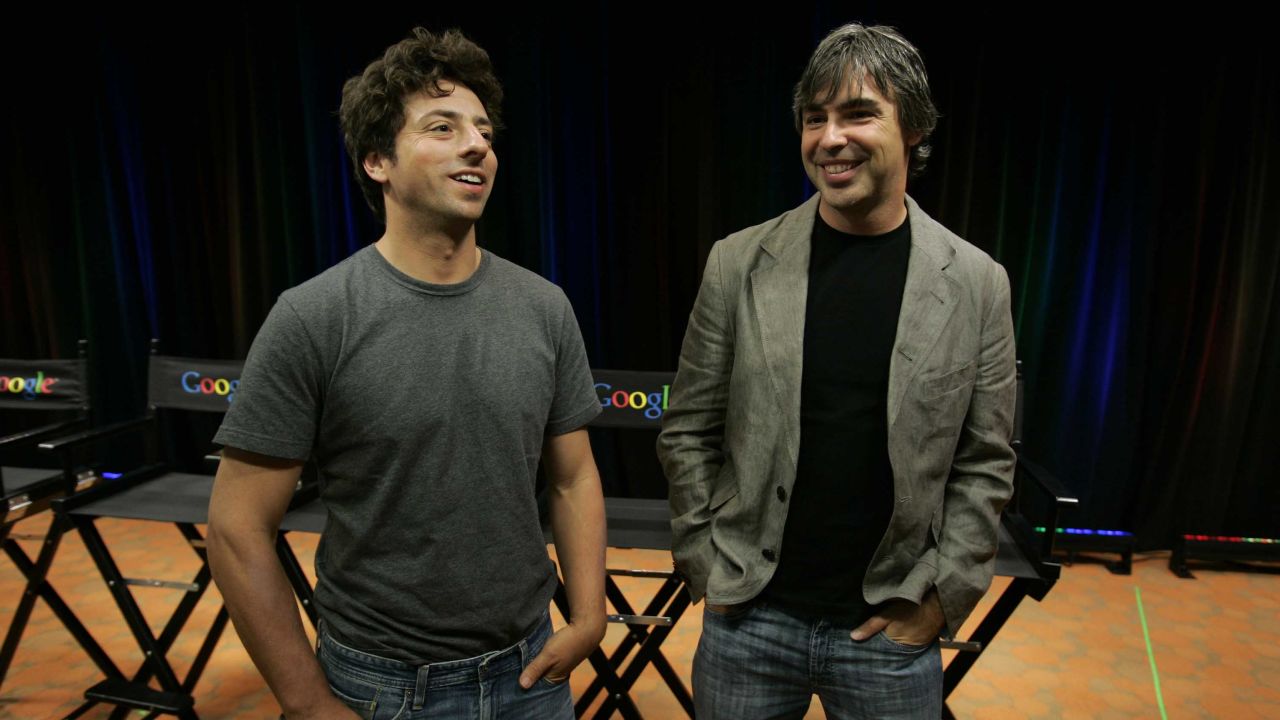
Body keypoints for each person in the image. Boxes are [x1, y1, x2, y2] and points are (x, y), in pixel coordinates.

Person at [206, 27, 606, 720]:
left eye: (483, 130)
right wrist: (306, 703)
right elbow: (236, 529)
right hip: (381, 691)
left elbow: (573, 476)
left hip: (531, 676)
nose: (477, 145)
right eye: (442, 127)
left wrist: (591, 617)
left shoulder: (544, 308)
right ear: (376, 161)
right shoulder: (313, 318)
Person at [657, 23, 1017, 719]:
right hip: (747, 621)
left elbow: (985, 462)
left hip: (893, 627)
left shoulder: (976, 284)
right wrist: (706, 561)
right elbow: (688, 429)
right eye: (814, 118)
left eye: (857, 114)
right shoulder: (738, 262)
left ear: (912, 127)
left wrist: (943, 600)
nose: (829, 138)